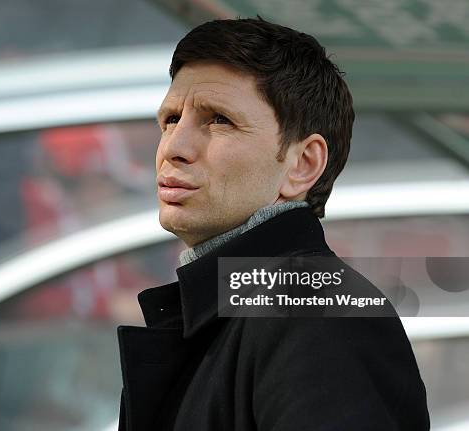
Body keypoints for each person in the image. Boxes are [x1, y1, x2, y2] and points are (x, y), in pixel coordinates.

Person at [116, 16, 430, 430]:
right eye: (171, 120)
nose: (174, 147)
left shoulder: (314, 309)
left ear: (303, 165)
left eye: (218, 120)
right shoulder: (261, 304)